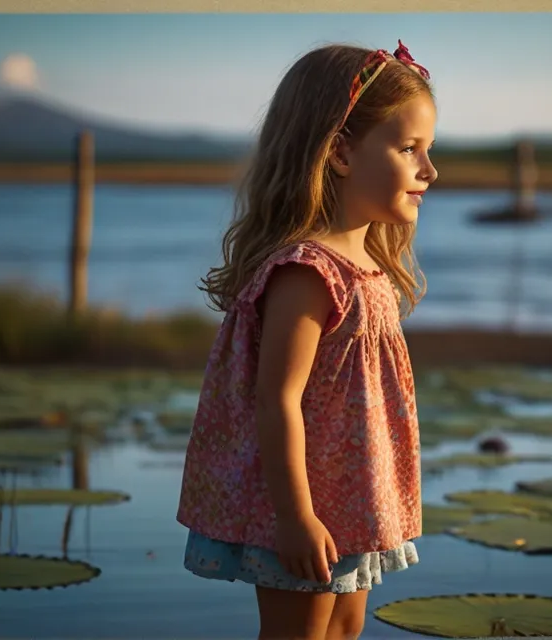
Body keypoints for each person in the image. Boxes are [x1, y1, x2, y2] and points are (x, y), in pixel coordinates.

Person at [176, 39, 439, 640]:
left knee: (345, 629)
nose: (429, 171)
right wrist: (295, 518)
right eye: (409, 150)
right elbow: (278, 400)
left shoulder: (366, 267)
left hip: (355, 500)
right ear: (341, 153)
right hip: (302, 507)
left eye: (429, 151)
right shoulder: (307, 271)